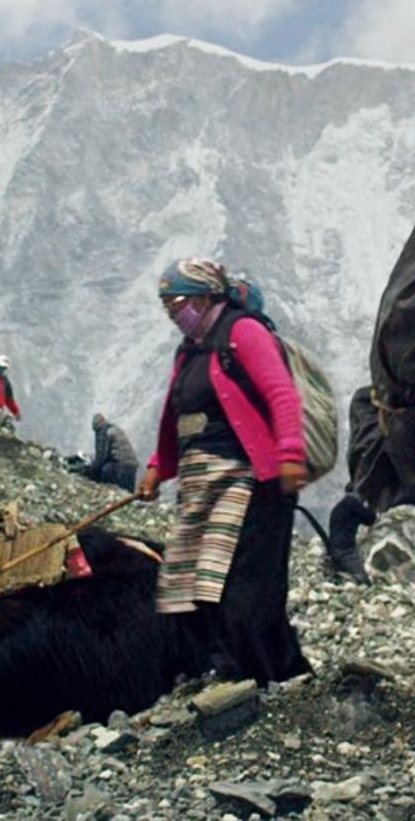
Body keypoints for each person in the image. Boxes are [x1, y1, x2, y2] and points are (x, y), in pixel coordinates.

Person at [137, 258, 312, 687]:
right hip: (203, 486)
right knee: (191, 584)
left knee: (245, 589)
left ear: (204, 296)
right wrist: (159, 467)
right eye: (167, 305)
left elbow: (281, 394)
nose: (173, 313)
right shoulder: (190, 350)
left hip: (253, 482)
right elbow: (177, 414)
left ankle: (263, 681)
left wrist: (290, 453)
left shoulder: (242, 332)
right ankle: (248, 673)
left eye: (178, 302)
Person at [88, 414, 140, 491]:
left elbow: (101, 457)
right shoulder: (115, 429)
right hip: (132, 465)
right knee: (128, 492)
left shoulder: (103, 431)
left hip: (119, 465)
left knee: (105, 473)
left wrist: (91, 472)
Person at [0, 355, 19, 432]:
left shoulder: (5, 382)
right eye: (0, 367)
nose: (2, 370)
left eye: (4, 368)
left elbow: (9, 400)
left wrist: (16, 412)